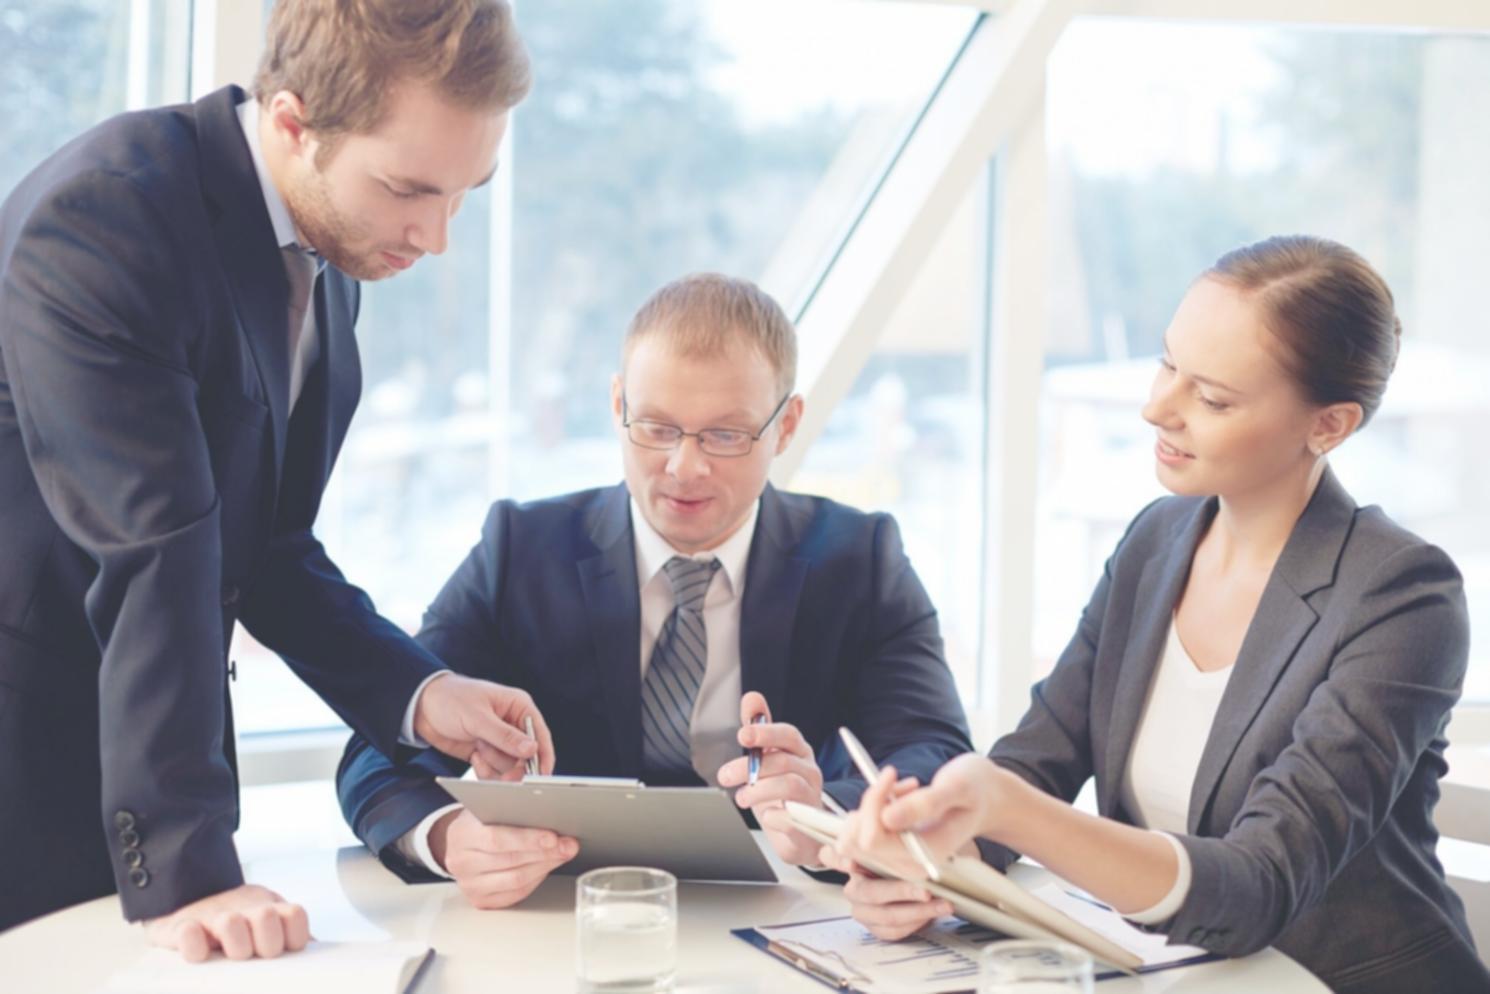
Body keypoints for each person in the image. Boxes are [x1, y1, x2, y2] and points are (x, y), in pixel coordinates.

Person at [0, 0, 556, 959]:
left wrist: (421, 695)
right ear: (295, 123)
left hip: (142, 758)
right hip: (27, 751)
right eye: (410, 190)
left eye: (468, 192)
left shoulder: (330, 245)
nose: (437, 238)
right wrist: (191, 869)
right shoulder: (104, 218)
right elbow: (157, 549)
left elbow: (265, 550)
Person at [821, 236, 1490, 994]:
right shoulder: (1156, 541)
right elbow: (1035, 760)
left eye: (1211, 398)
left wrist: (1006, 809)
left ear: (1329, 426)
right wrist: (933, 868)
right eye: (1168, 364)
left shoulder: (1402, 596)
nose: (1155, 408)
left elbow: (1260, 885)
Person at [336, 273, 974, 909]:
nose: (684, 467)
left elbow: (936, 756)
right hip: (572, 913)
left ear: (786, 427)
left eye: (725, 435)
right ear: (618, 407)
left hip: (795, 915)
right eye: (657, 428)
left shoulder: (860, 559)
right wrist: (449, 839)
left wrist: (826, 818)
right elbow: (381, 748)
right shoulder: (523, 551)